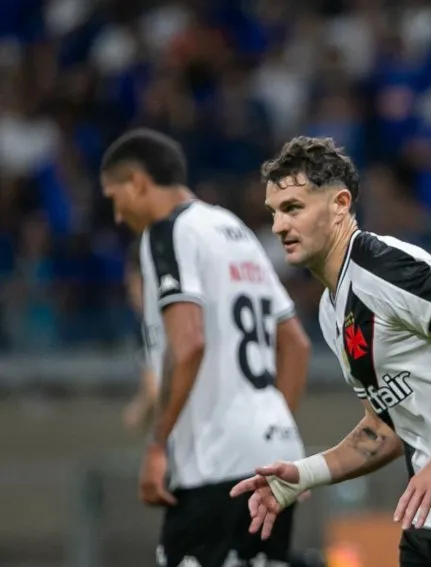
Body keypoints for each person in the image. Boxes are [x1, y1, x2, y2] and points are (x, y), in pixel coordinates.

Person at [229, 136, 431, 567]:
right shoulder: (332, 308)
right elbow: (383, 429)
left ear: (340, 203)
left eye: (293, 209)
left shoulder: (382, 267)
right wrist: (301, 476)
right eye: (274, 213)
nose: (278, 227)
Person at [100, 128, 311, 567]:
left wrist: (157, 445)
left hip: (214, 464)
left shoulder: (167, 232)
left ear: (138, 183)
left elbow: (188, 342)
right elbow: (295, 343)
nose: (117, 215)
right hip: (275, 454)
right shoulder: (235, 229)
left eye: (113, 196)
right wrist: (270, 430)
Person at [122, 242, 159, 432]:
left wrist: (137, 411)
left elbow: (153, 392)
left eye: (131, 284)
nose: (130, 294)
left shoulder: (156, 321)